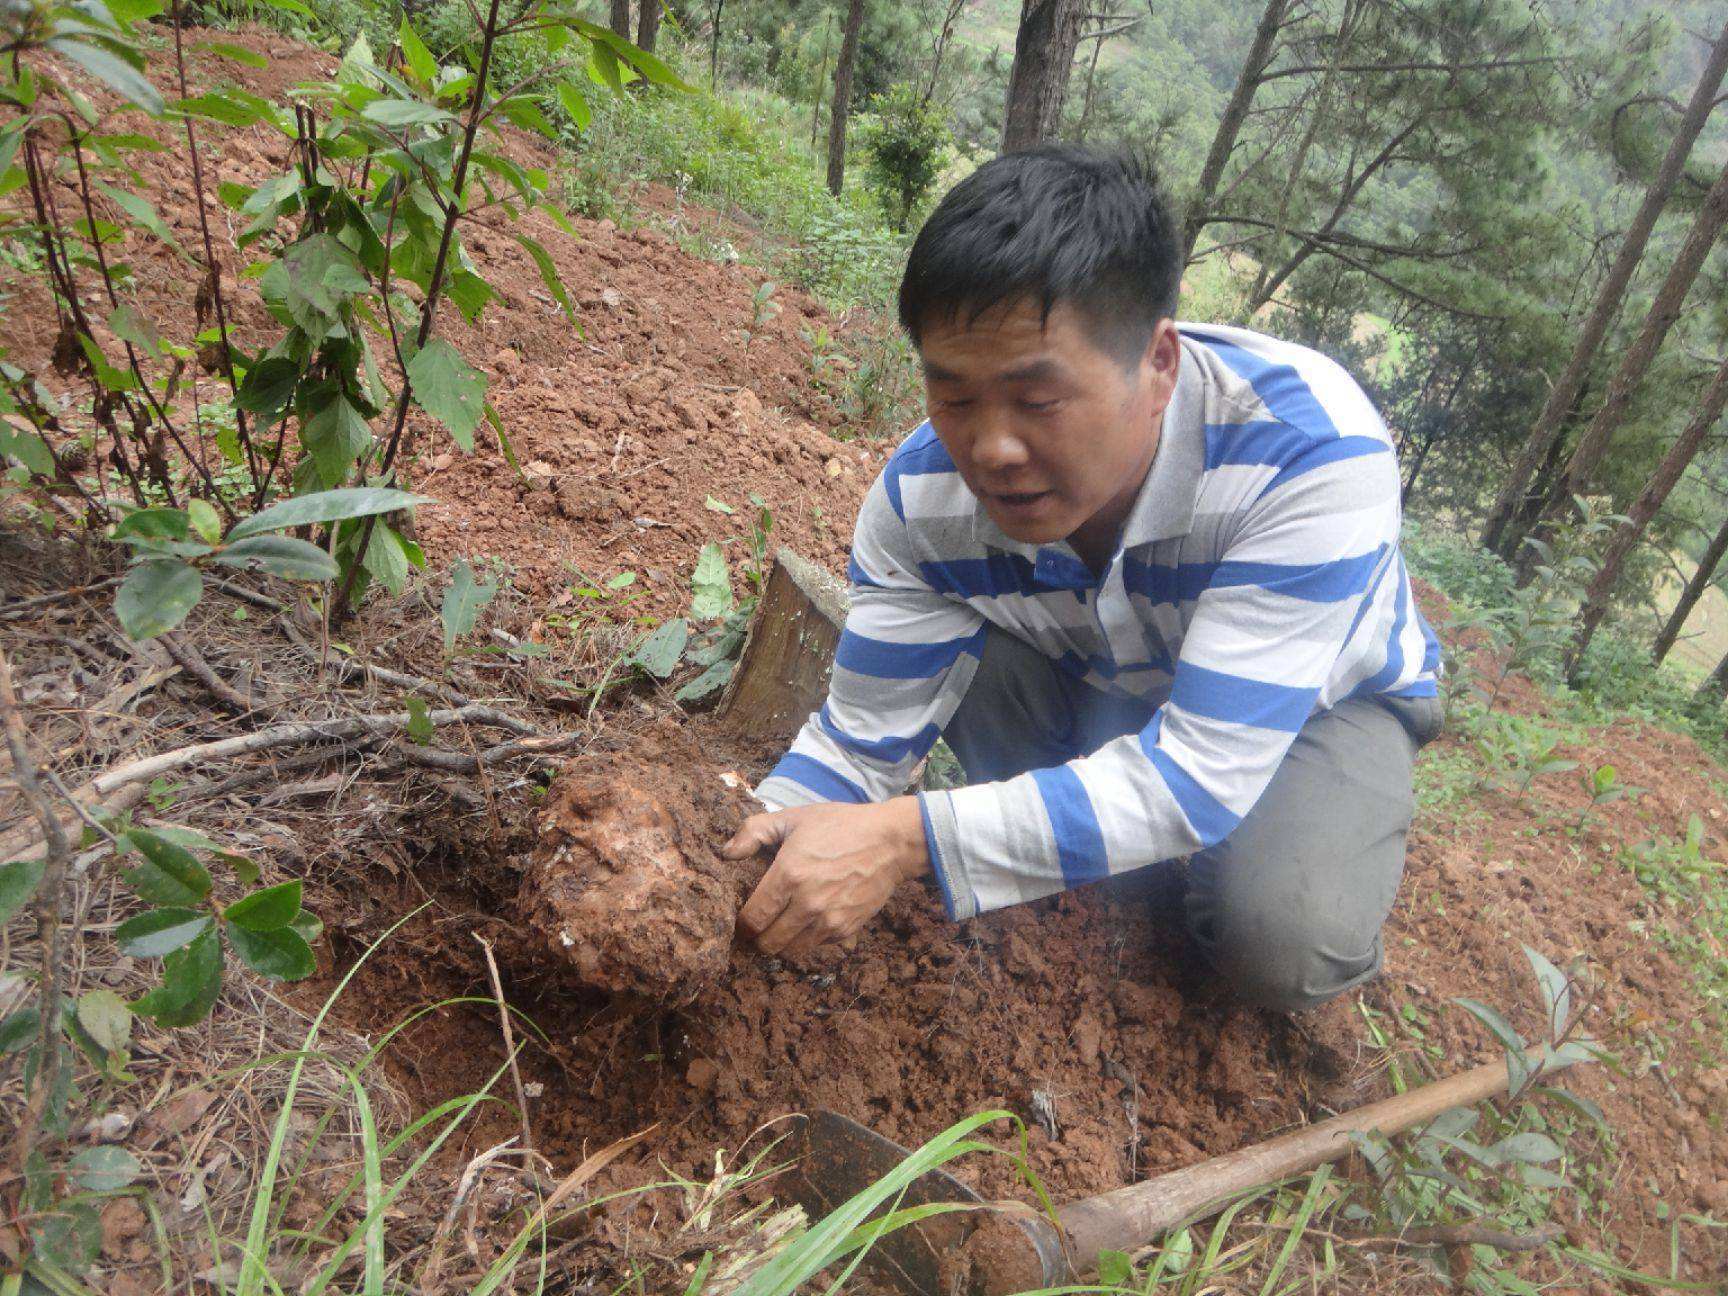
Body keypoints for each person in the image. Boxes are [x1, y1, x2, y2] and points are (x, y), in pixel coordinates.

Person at [721, 146, 1443, 1013]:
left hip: (1315, 705)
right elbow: (860, 743)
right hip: (1102, 669)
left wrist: (908, 841)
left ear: (1159, 363)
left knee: (1279, 934)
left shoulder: (1309, 456)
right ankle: (1110, 866)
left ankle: (1256, 873)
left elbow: (1200, 772)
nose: (991, 449)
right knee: (993, 708)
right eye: (954, 398)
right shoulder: (920, 504)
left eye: (1038, 400)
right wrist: (736, 864)